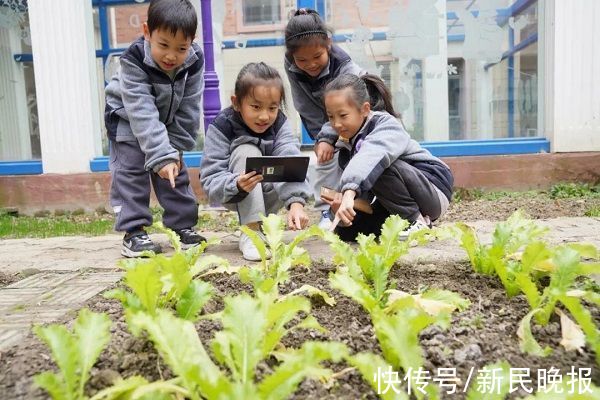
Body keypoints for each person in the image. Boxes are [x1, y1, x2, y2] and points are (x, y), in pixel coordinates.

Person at [104, 0, 206, 258]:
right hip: (128, 118)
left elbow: (190, 106)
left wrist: (174, 151)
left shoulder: (194, 61)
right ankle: (134, 232)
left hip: (167, 120)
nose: (171, 56)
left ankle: (182, 227)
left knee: (174, 172)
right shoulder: (134, 60)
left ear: (192, 41)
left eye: (181, 47)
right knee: (131, 172)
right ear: (148, 32)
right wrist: (160, 154)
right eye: (163, 45)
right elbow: (142, 111)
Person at [322, 74, 453, 242]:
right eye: (331, 117)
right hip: (393, 201)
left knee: (380, 164)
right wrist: (339, 209)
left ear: (365, 109)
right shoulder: (346, 147)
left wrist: (348, 193)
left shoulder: (386, 125)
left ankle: (418, 222)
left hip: (432, 189)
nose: (336, 124)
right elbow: (364, 198)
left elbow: (371, 156)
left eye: (343, 115)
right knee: (348, 233)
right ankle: (408, 221)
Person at [200, 62, 311, 261]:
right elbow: (210, 179)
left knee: (285, 159)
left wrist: (296, 203)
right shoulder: (222, 126)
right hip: (235, 192)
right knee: (246, 150)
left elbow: (291, 160)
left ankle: (263, 227)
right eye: (256, 107)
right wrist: (235, 183)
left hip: (270, 191)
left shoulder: (280, 124)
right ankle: (251, 233)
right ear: (236, 102)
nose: (264, 116)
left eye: (272, 108)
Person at [284, 8, 364, 229]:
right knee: (325, 158)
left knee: (349, 158)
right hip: (328, 121)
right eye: (302, 60)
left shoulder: (346, 68)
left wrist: (329, 136)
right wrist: (321, 139)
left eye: (317, 57)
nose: (310, 64)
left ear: (328, 44)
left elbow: (345, 108)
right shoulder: (291, 63)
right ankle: (326, 212)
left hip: (354, 118)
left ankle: (356, 206)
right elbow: (303, 104)